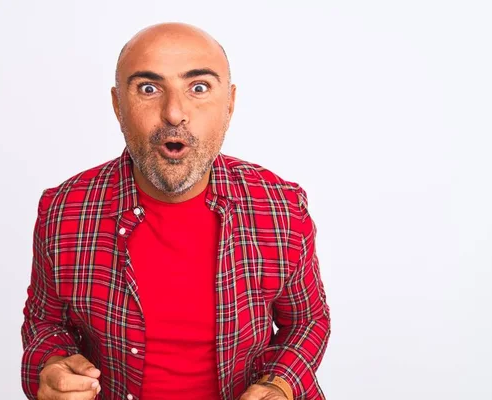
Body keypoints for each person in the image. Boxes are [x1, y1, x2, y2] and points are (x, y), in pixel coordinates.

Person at [21, 22, 330, 400]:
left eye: (198, 87)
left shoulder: (280, 206)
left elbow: (308, 320)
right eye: (148, 89)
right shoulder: (64, 210)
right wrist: (50, 366)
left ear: (229, 104)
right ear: (118, 106)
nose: (174, 112)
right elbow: (44, 322)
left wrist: (279, 386)